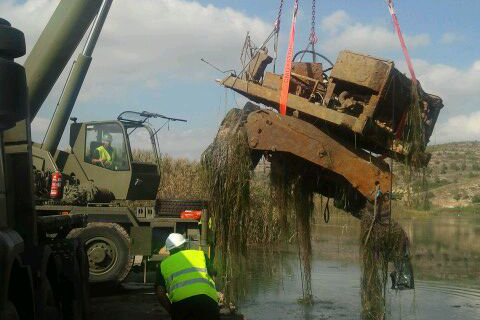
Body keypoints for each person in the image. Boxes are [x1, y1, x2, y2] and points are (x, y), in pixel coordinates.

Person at [155, 233, 219, 320]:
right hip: (207, 302)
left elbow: (160, 293)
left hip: (181, 305)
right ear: (185, 245)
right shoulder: (200, 255)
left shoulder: (163, 265)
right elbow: (213, 275)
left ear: (169, 250)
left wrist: (172, 311)